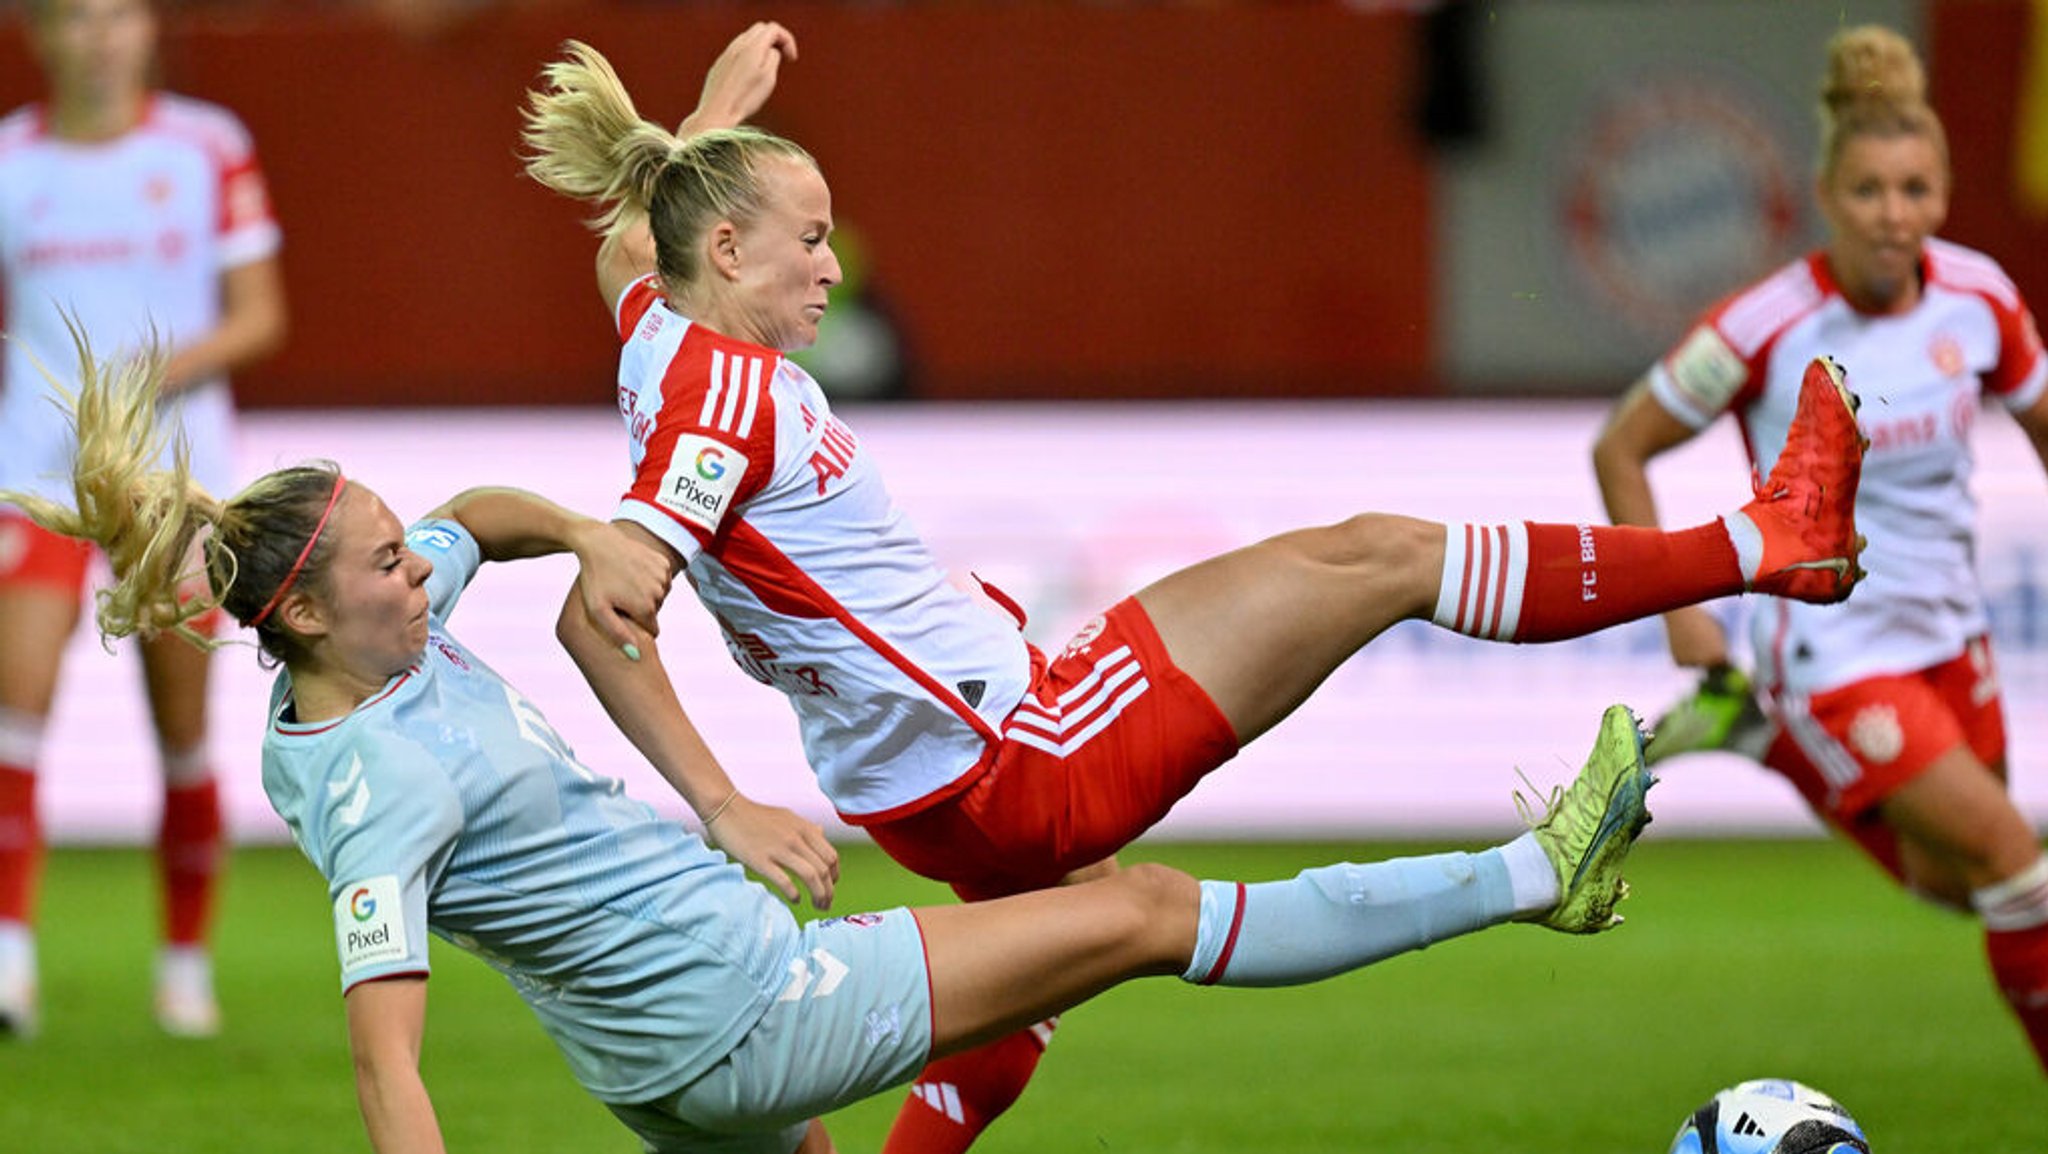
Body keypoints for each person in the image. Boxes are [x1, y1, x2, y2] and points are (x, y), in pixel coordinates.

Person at [520, 28, 1869, 1153]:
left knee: (1064, 960)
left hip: (925, 787)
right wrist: (723, 801)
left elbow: (630, 249)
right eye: (807, 239)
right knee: (1377, 557)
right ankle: (1769, 538)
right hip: (1012, 753)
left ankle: (1536, 869)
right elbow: (604, 606)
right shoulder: (723, 392)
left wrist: (704, 126)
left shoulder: (654, 321)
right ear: (734, 256)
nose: (831, 263)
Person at [9, 325, 1663, 1154]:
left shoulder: (375, 617)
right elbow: (385, 1054)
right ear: (303, 618)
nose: (415, 566)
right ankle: (1540, 868)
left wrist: (586, 537)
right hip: (742, 1009)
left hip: (658, 1051)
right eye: (381, 565)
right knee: (1143, 908)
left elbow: (467, 515)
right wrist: (718, 804)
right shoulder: (369, 791)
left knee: (1058, 952)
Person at [1592, 25, 2048, 1077]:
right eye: (1870, 192)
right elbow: (1622, 445)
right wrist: (1680, 610)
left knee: (1961, 882)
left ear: (1940, 194)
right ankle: (1774, 714)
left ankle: (1758, 740)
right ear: (1825, 197)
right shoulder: (1762, 322)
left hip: (1949, 632)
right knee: (2014, 867)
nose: (1894, 217)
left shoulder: (1977, 298)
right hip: (1832, 653)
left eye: (1915, 190)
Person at [0, 0, 288, 1038]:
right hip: (35, 472)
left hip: (178, 478)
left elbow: (261, 312)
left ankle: (182, 963)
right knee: (15, 703)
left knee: (181, 727)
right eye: (74, 17)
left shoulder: (207, 146)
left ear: (146, 28)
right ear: (37, 33)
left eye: (117, 12)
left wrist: (144, 377)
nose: (99, 36)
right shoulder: (10, 162)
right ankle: (9, 964)